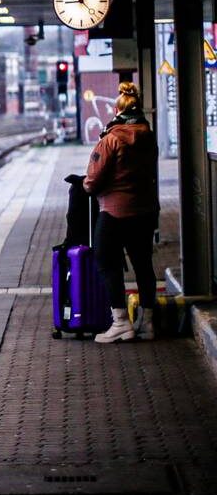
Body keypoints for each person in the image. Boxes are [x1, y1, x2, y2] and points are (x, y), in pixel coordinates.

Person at [82, 82, 159, 342]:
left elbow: (92, 181)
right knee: (143, 265)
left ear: (116, 110)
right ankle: (147, 323)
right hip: (145, 210)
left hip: (115, 212)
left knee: (107, 262)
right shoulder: (148, 136)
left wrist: (85, 184)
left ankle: (121, 323)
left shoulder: (111, 139)